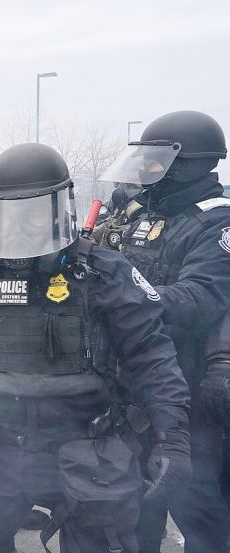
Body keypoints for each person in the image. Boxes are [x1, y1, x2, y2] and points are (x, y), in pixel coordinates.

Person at [0, 143, 192, 553]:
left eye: (32, 214)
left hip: (88, 447)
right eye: (9, 215)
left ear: (58, 209)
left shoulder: (104, 273)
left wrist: (171, 438)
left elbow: (151, 359)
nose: (20, 227)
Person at [100, 109, 230, 553]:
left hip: (193, 391)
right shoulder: (145, 213)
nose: (146, 173)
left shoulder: (217, 222)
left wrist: (127, 298)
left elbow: (199, 300)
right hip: (139, 385)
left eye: (155, 164)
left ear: (186, 165)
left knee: (198, 508)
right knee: (136, 510)